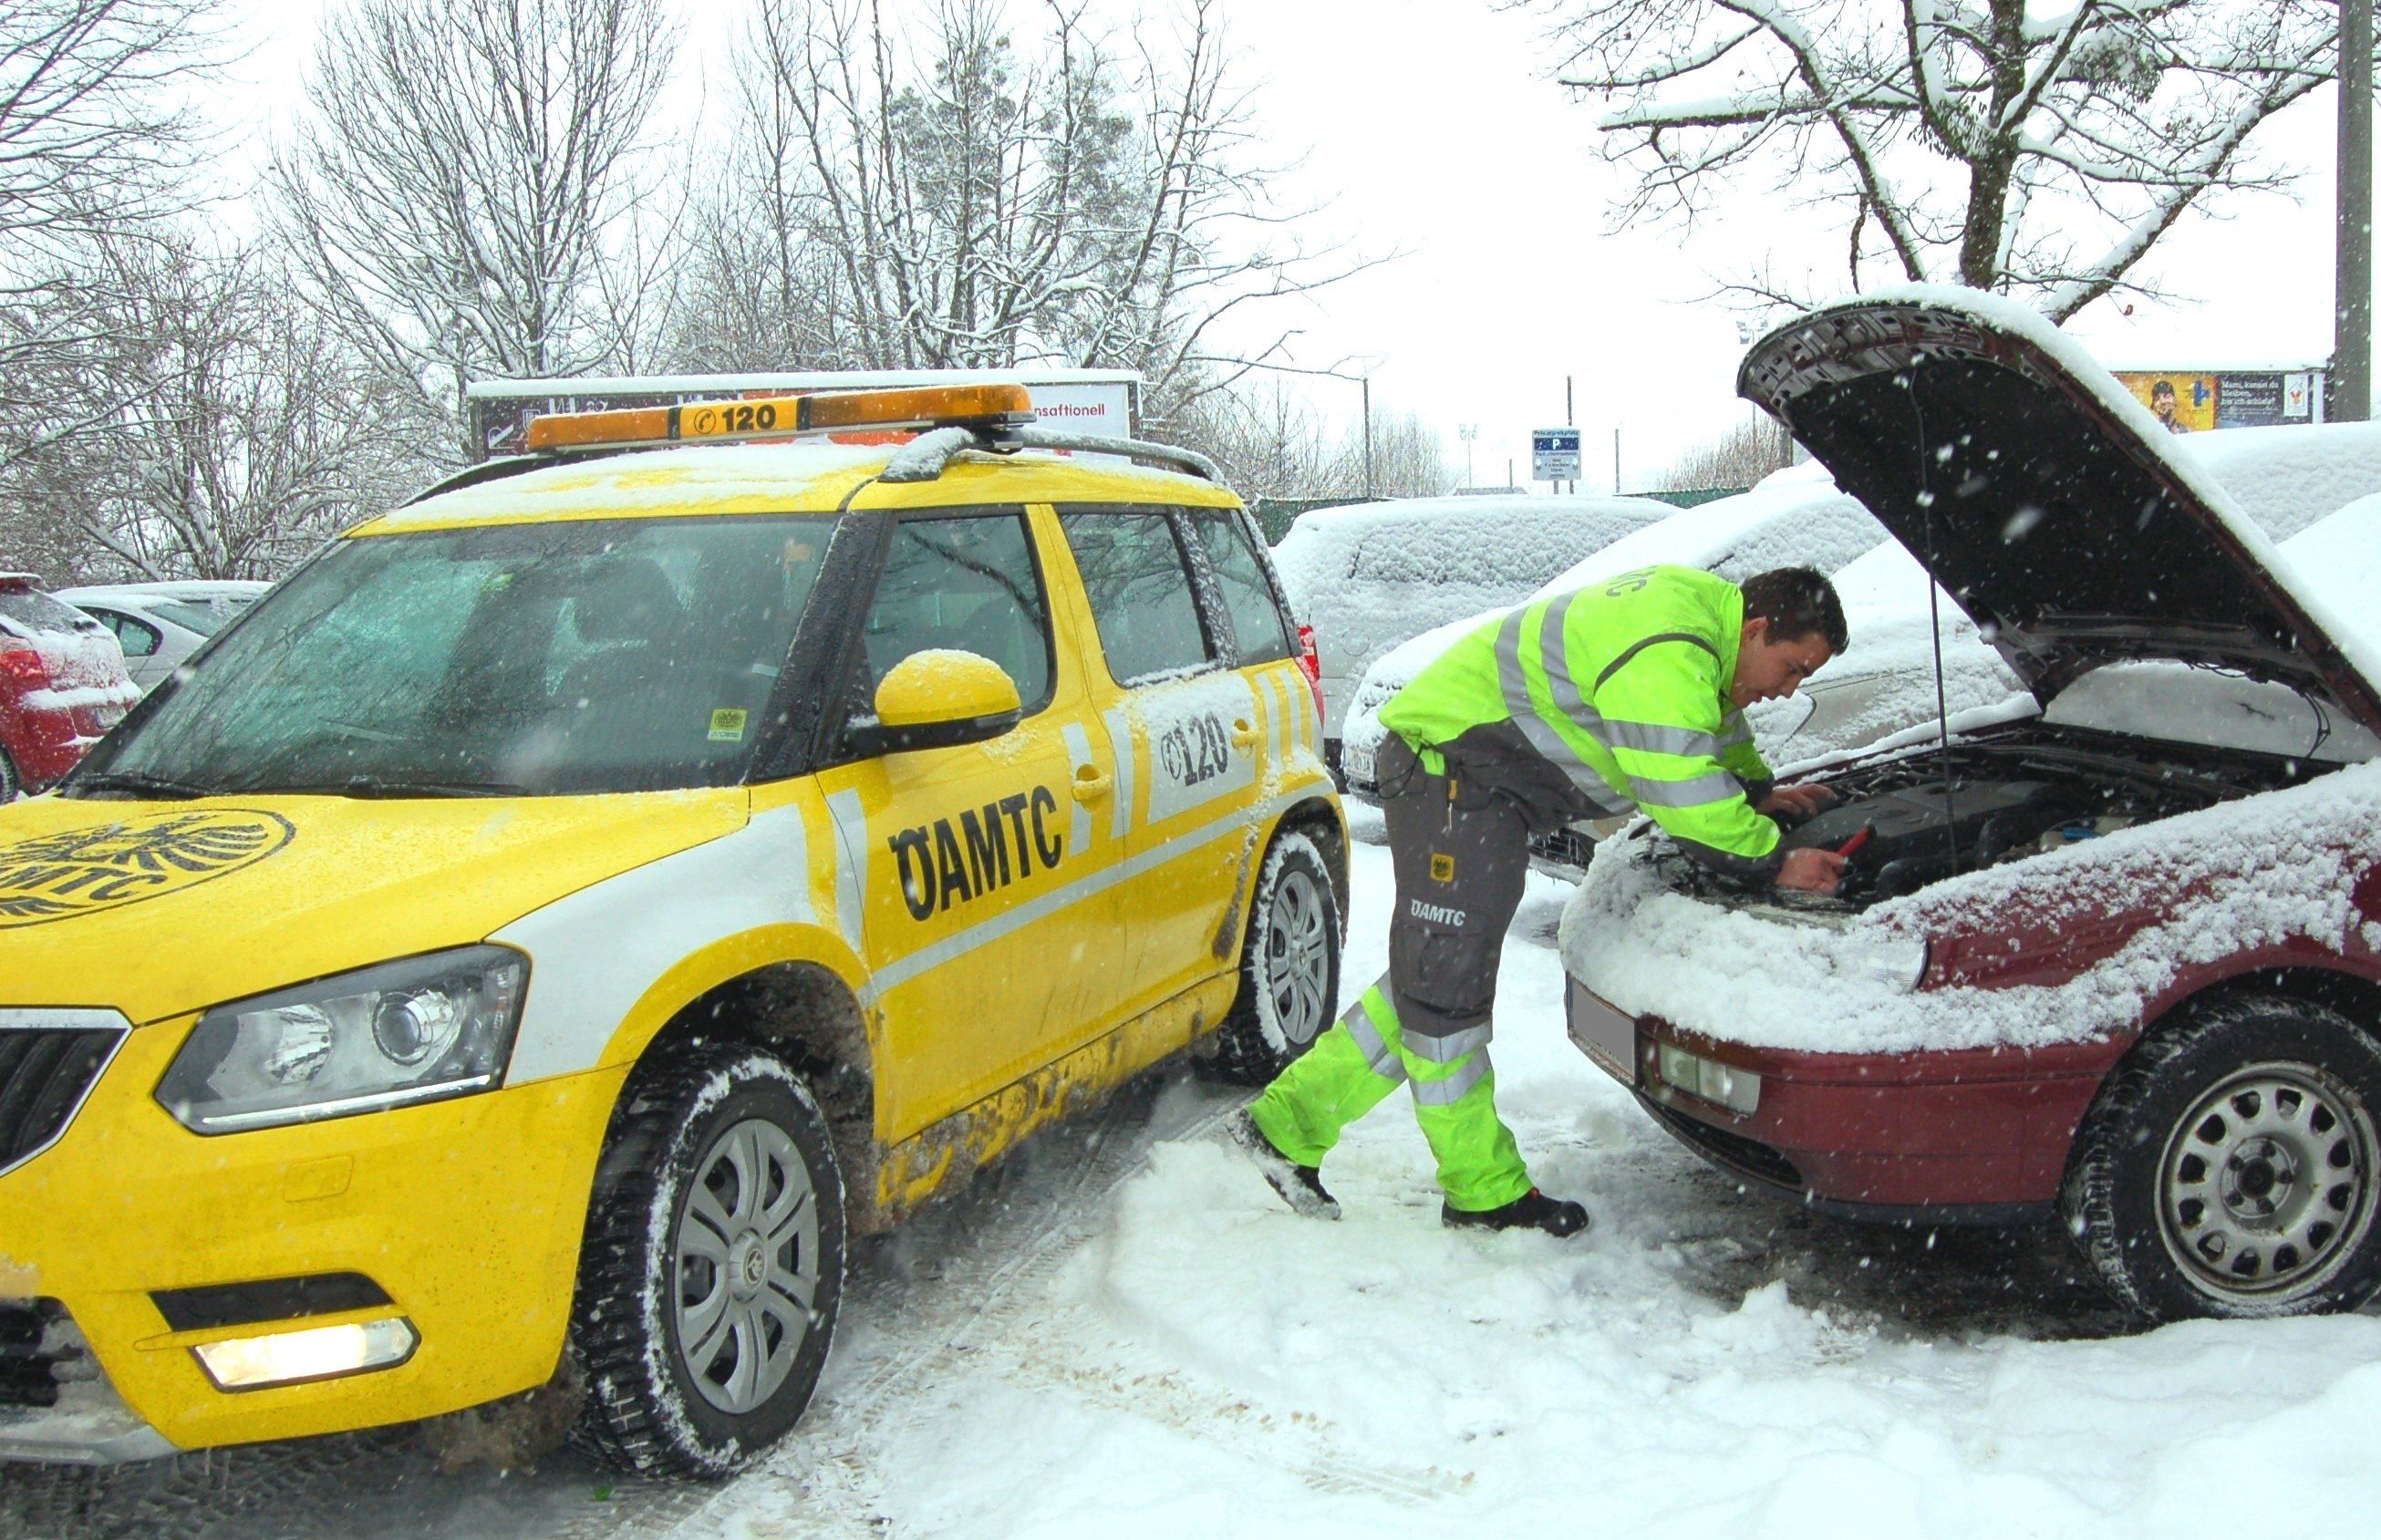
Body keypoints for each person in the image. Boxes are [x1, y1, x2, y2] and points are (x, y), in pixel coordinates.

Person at [1232, 564, 1850, 1237]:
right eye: (1790, 668)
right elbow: (1678, 784)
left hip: (1481, 790)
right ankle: (1481, 1192)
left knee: (1434, 972)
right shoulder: (1670, 644)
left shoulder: (1705, 628)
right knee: (1443, 992)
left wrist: (1756, 790)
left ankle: (1285, 1124)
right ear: (1755, 629)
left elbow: (1708, 724)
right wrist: (1770, 858)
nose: (1785, 690)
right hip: (1448, 771)